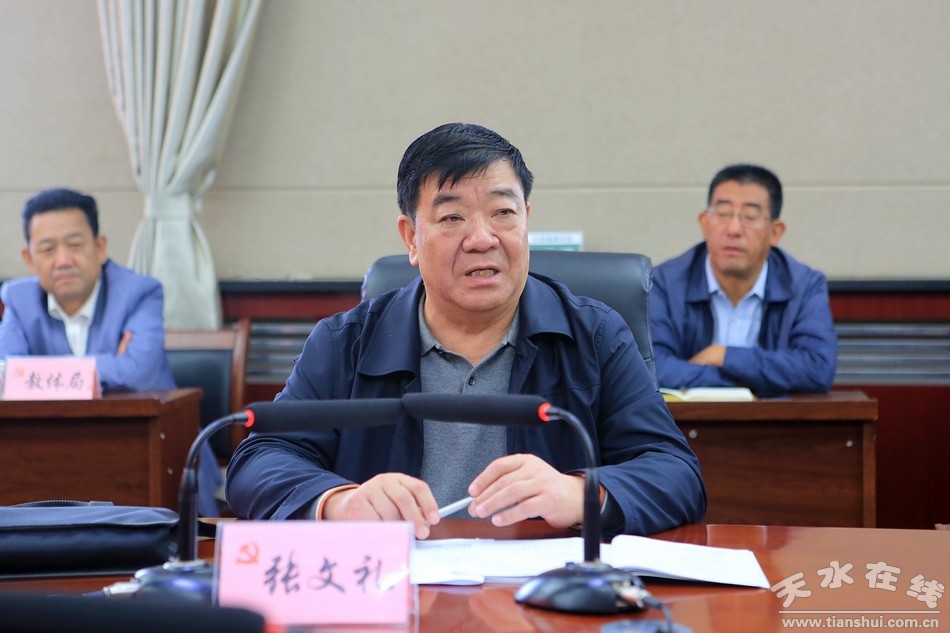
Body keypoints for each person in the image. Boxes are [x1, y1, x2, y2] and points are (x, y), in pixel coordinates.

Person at [227, 123, 706, 538]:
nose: (482, 238)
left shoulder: (595, 335)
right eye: (452, 218)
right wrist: (339, 501)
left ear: (527, 221)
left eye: (503, 213)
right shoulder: (345, 343)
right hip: (394, 588)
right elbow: (260, 460)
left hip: (541, 589)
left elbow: (676, 473)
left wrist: (579, 492)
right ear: (411, 238)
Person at [0, 187, 221, 515]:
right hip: (49, 456)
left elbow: (137, 372)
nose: (63, 261)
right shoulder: (17, 299)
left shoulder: (139, 292)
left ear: (100, 247)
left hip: (152, 450)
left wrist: (38, 372)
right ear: (29, 259)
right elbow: (6, 376)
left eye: (75, 245)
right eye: (47, 249)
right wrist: (107, 365)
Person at [650, 164, 837, 396]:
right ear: (704, 223)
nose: (734, 229)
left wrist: (723, 355)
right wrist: (742, 380)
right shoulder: (663, 283)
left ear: (775, 232)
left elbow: (818, 369)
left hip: (772, 420)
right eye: (723, 213)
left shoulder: (804, 285)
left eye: (750, 216)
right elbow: (651, 369)